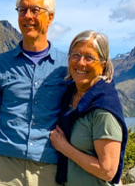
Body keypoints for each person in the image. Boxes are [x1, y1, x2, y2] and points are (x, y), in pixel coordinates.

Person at [0, 0, 70, 186]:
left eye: (35, 10)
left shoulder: (65, 66)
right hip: (3, 170)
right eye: (22, 10)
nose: (27, 16)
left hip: (48, 171)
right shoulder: (1, 63)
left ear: (50, 17)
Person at [50, 30, 128, 186]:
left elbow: (107, 171)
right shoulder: (70, 96)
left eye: (89, 58)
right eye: (75, 55)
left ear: (103, 64)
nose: (80, 63)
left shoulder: (103, 110)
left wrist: (64, 147)